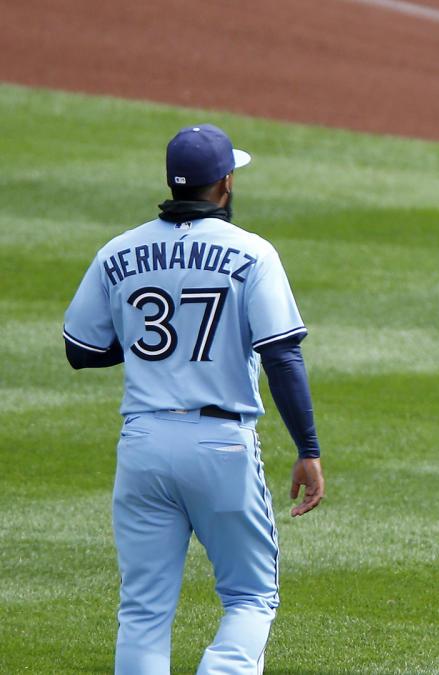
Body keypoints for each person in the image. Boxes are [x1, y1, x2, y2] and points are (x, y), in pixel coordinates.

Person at [62, 123, 325, 674]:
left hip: (144, 443)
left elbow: (81, 349)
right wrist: (308, 447)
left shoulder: (118, 251)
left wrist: (150, 348)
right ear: (225, 182)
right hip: (220, 445)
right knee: (251, 596)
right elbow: (282, 356)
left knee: (143, 612)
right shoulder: (252, 253)